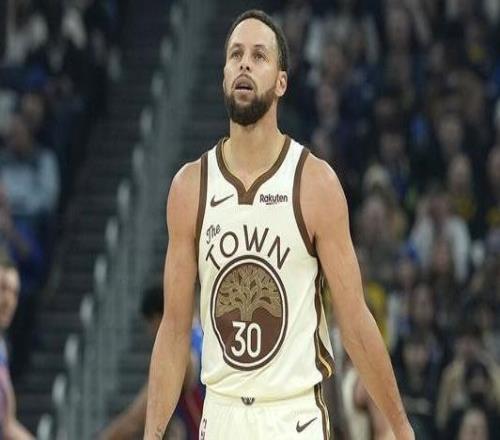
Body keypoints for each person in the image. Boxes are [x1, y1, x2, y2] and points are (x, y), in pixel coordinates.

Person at [145, 9, 414, 440]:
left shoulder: (315, 184)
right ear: (223, 76)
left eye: (259, 56)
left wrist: (401, 427)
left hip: (293, 415)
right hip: (221, 415)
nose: (244, 64)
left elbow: (354, 320)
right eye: (235, 55)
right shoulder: (190, 188)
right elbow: (174, 330)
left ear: (282, 82)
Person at [99, 285, 203, 440]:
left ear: (159, 319)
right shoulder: (200, 335)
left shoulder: (178, 356)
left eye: (150, 325)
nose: (150, 333)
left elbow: (135, 420)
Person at [0, 253, 34, 438]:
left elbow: (7, 423)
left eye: (14, 293)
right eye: (2, 288)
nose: (8, 301)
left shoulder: (2, 349)